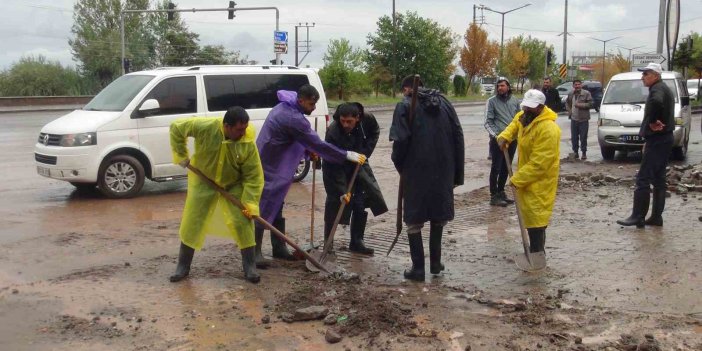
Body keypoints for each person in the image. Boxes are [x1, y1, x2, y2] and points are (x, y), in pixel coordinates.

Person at [254, 85, 366, 267]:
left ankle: (279, 248)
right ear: (301, 101)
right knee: (265, 204)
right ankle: (255, 252)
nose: (314, 108)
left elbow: (302, 140)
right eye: (312, 103)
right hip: (270, 163)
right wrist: (345, 155)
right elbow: (316, 143)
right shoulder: (292, 118)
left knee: (277, 203)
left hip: (275, 157)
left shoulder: (288, 104)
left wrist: (308, 150)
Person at [169, 107, 264, 284]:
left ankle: (250, 267)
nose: (243, 133)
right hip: (203, 181)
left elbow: (254, 176)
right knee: (192, 221)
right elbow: (176, 127)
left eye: (245, 128)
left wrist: (250, 203)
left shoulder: (247, 142)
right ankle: (182, 266)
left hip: (232, 184)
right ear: (226, 126)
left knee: (243, 221)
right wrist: (181, 154)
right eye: (239, 129)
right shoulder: (206, 126)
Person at [390, 75, 465, 281]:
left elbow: (400, 140)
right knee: (438, 215)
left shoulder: (405, 105)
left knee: (414, 218)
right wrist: (457, 173)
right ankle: (435, 263)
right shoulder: (445, 104)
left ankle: (419, 268)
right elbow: (458, 136)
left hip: (416, 169)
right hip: (444, 168)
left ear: (406, 89)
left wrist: (400, 165)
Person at [496, 89, 560, 263]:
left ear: (541, 107)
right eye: (525, 107)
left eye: (531, 108)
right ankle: (534, 252)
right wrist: (504, 137)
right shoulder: (524, 117)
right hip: (526, 178)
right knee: (528, 217)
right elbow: (514, 125)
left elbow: (540, 164)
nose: (526, 110)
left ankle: (537, 253)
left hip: (540, 181)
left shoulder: (548, 129)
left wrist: (517, 179)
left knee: (537, 219)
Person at [322, 102, 388, 254]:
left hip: (358, 164)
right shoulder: (333, 131)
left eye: (349, 121)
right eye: (343, 121)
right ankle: (328, 244)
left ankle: (357, 241)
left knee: (359, 202)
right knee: (335, 202)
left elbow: (375, 131)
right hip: (336, 167)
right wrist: (342, 189)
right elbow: (333, 163)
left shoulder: (368, 119)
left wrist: (365, 152)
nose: (345, 125)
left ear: (357, 118)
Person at [617, 63, 675, 228]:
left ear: (655, 75)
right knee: (658, 178)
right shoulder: (663, 87)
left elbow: (656, 103)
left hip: (658, 139)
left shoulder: (657, 89)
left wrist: (651, 122)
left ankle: (638, 216)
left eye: (646, 74)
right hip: (664, 138)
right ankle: (656, 217)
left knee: (643, 178)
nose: (643, 77)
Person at [484, 78, 520, 207]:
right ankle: (494, 195)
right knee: (496, 167)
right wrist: (497, 136)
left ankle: (501, 192)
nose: (500, 88)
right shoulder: (492, 102)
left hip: (512, 140)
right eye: (498, 86)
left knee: (507, 167)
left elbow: (519, 119)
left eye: (503, 86)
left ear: (508, 87)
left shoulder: (515, 101)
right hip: (498, 140)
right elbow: (488, 122)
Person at [566, 79, 593, 160]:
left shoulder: (586, 93)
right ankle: (575, 152)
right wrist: (569, 111)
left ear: (581, 85)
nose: (577, 86)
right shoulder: (571, 93)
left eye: (578, 84)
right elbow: (567, 103)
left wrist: (580, 105)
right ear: (573, 86)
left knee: (583, 137)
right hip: (574, 119)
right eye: (575, 84)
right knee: (574, 137)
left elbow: (591, 104)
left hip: (583, 119)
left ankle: (584, 153)